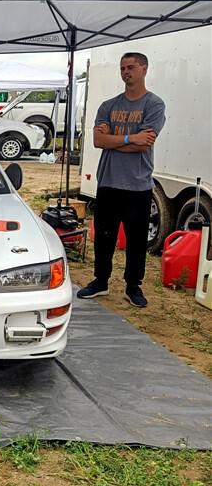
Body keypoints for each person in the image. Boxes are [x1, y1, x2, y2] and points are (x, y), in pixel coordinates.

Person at [77, 52, 166, 308]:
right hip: (109, 182)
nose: (126, 72)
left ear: (144, 70)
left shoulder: (154, 105)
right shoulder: (109, 106)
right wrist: (129, 138)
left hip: (138, 185)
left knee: (137, 241)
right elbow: (97, 141)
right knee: (104, 237)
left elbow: (144, 144)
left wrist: (113, 141)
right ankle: (100, 281)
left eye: (131, 67)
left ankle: (133, 286)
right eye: (122, 68)